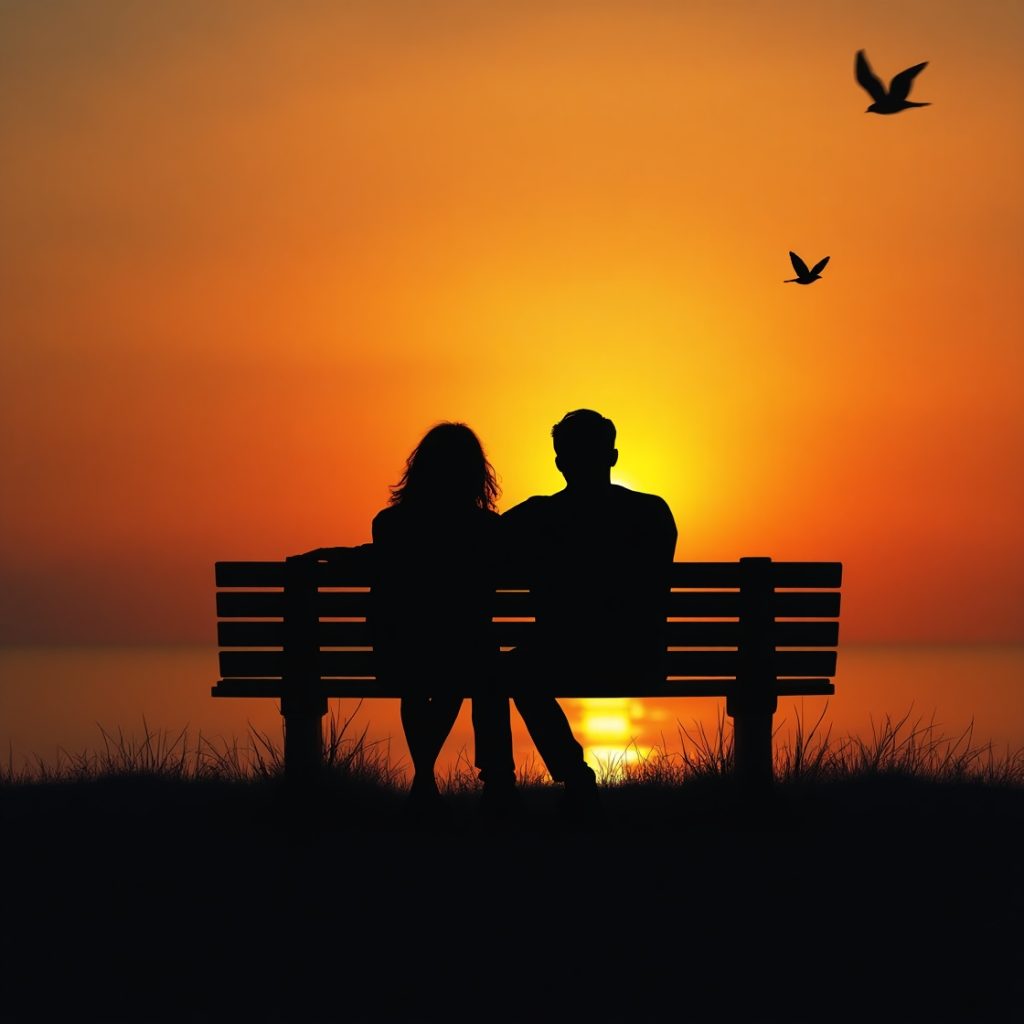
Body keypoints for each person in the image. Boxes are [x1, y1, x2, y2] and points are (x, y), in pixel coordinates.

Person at [474, 409, 678, 817]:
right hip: (640, 657)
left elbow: (475, 548)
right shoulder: (652, 513)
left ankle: (521, 784)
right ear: (613, 456)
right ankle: (572, 779)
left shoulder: (538, 515)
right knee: (517, 668)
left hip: (558, 656)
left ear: (560, 462)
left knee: (497, 670)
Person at [295, 422, 502, 814]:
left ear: (419, 468)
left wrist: (335, 556)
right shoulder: (486, 529)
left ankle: (423, 780)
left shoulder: (389, 523)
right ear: (476, 472)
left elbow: (381, 559)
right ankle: (444, 780)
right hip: (460, 653)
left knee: (422, 675)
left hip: (395, 652)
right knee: (463, 667)